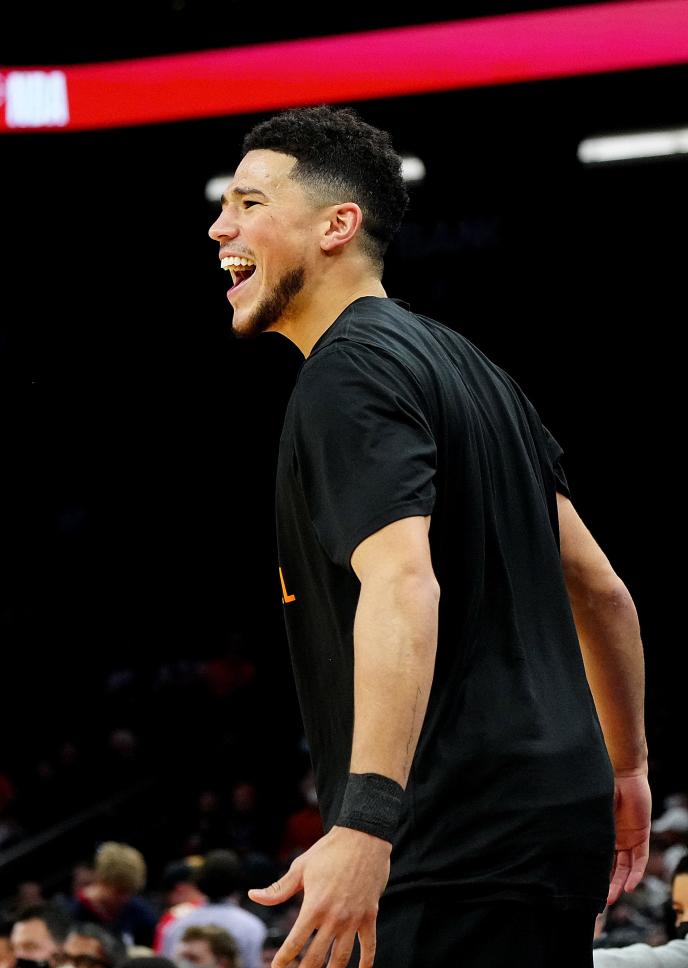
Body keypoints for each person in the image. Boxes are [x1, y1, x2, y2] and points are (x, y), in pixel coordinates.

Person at [207, 104, 652, 967]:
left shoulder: (345, 375)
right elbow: (602, 590)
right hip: (550, 829)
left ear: (339, 224)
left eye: (251, 202)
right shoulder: (474, 372)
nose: (222, 223)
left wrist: (367, 821)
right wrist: (627, 770)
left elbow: (404, 582)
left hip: (450, 837)